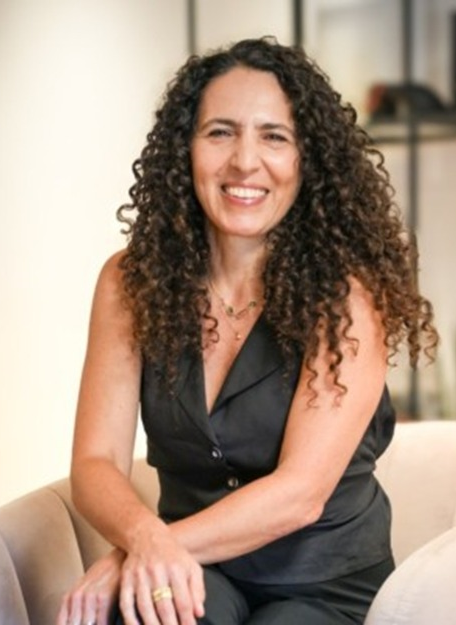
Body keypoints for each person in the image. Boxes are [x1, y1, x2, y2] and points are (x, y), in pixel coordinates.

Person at [57, 37, 438, 625]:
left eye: (274, 137)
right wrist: (143, 541)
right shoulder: (130, 283)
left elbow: (299, 495)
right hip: (197, 569)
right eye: (220, 132)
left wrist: (151, 548)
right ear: (185, 149)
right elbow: (95, 461)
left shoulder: (347, 296)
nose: (244, 162)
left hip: (323, 584)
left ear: (307, 159)